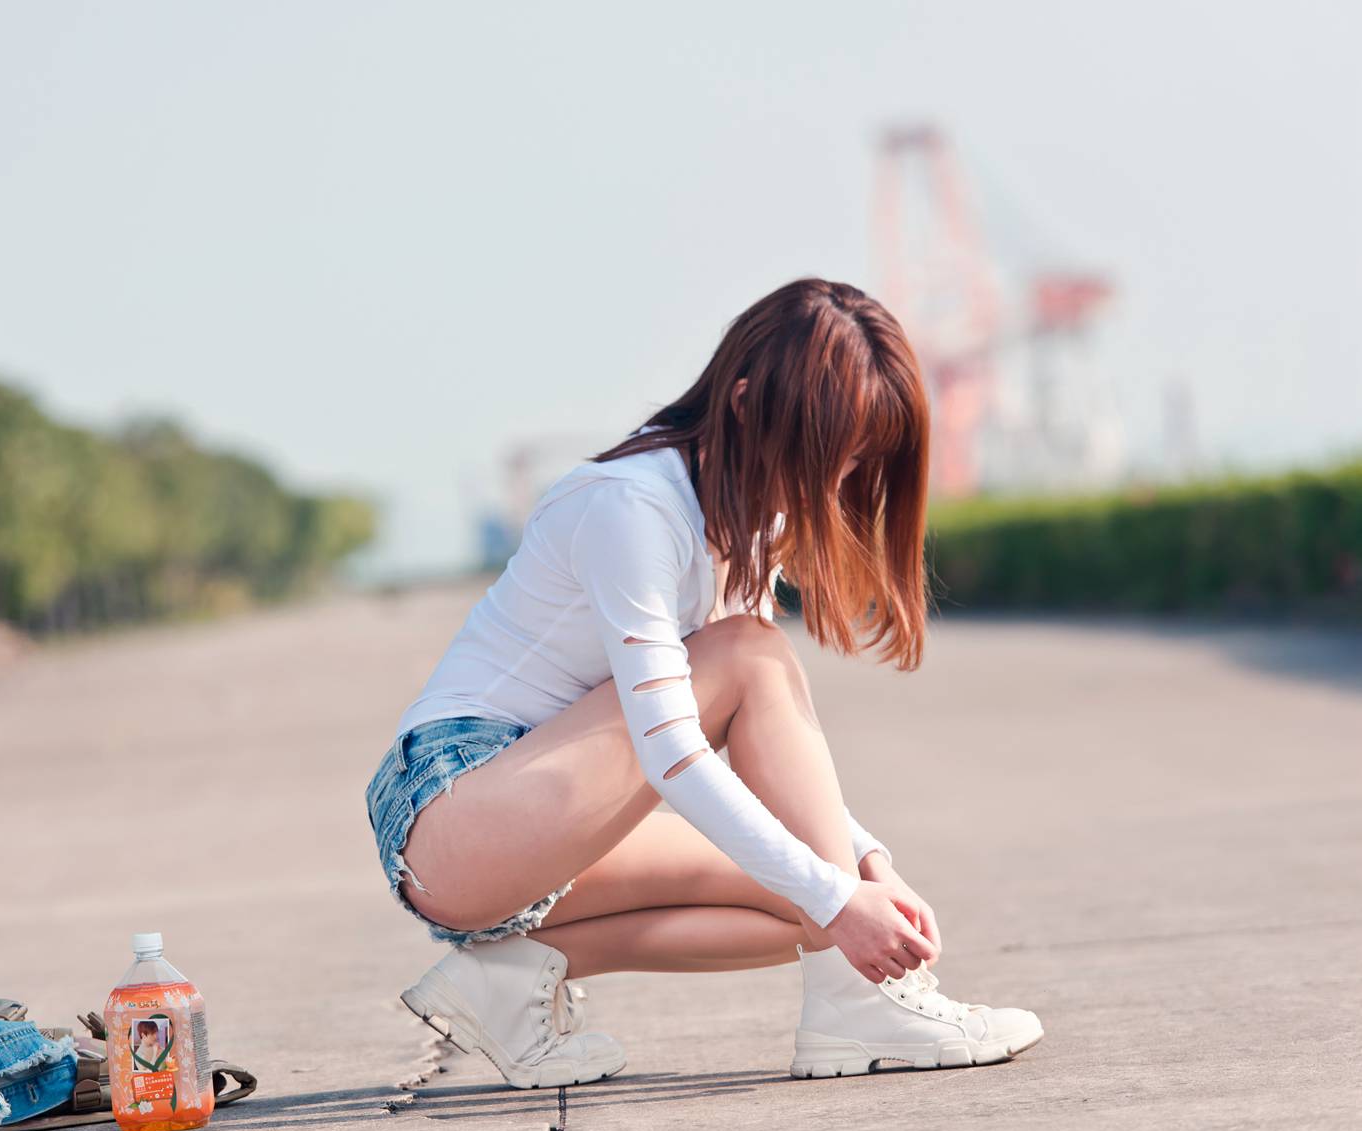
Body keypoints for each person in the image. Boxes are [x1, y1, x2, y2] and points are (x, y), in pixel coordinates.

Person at [362, 278, 1043, 1089]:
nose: (839, 479)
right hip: (455, 808)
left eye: (860, 459)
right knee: (754, 661)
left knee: (808, 894)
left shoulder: (748, 517)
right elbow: (674, 751)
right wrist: (841, 893)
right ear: (747, 403)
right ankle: (862, 1006)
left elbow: (771, 773)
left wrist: (869, 868)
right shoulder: (632, 505)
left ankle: (502, 986)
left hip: (548, 821)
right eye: (830, 452)